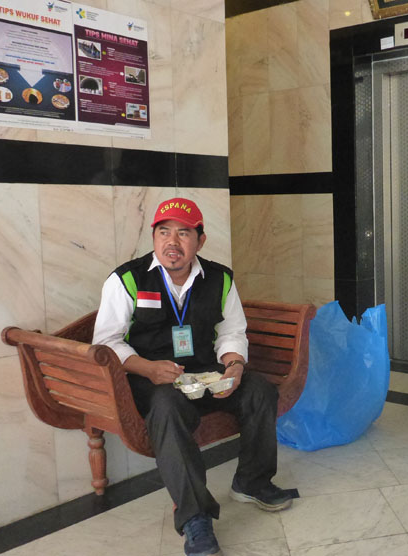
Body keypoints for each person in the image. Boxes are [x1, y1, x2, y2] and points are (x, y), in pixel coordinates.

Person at [93, 198, 291, 556]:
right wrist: (147, 368)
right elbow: (107, 342)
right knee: (168, 407)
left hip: (205, 372)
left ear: (200, 240)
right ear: (153, 238)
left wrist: (233, 368)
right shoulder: (127, 279)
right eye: (164, 232)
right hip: (151, 379)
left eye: (183, 233)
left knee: (259, 390)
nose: (173, 242)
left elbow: (232, 331)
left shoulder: (219, 278)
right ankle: (194, 517)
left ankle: (252, 481)